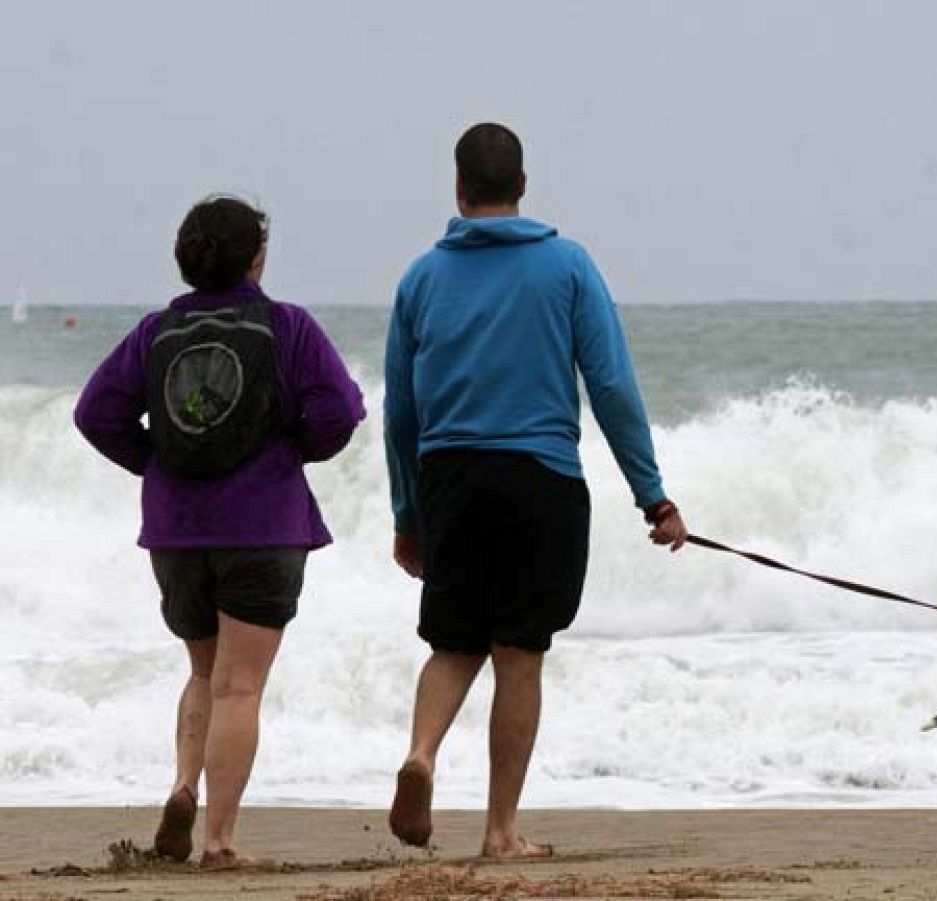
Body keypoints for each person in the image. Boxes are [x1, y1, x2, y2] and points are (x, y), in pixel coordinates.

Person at [384, 122, 688, 858]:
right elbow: (611, 385)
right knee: (519, 651)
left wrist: (408, 513)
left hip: (451, 476)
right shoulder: (568, 266)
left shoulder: (422, 278)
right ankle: (500, 831)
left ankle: (421, 753)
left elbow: (400, 408)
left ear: (458, 190)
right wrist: (653, 496)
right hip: (540, 477)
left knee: (454, 644)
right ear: (523, 186)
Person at [74, 195, 365, 867]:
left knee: (204, 670)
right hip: (263, 524)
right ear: (256, 257)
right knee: (240, 685)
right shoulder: (287, 327)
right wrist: (295, 449)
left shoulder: (154, 332)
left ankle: (183, 785)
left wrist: (152, 462)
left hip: (176, 530)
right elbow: (340, 410)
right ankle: (220, 840)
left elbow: (94, 412)